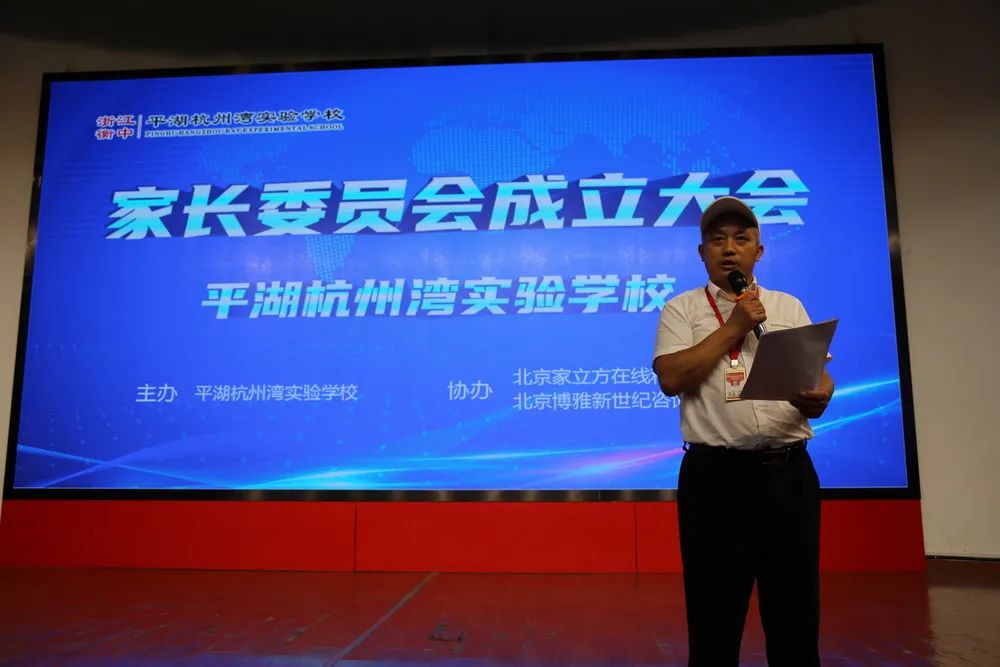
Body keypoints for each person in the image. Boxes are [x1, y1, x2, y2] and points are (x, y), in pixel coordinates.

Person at [652, 195, 834, 667]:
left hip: (788, 476)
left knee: (795, 616)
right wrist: (733, 327)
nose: (729, 248)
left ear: (759, 250)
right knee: (714, 619)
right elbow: (671, 378)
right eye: (717, 240)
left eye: (741, 238)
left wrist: (821, 394)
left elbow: (819, 374)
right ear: (702, 253)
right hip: (716, 480)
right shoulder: (681, 309)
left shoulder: (787, 305)